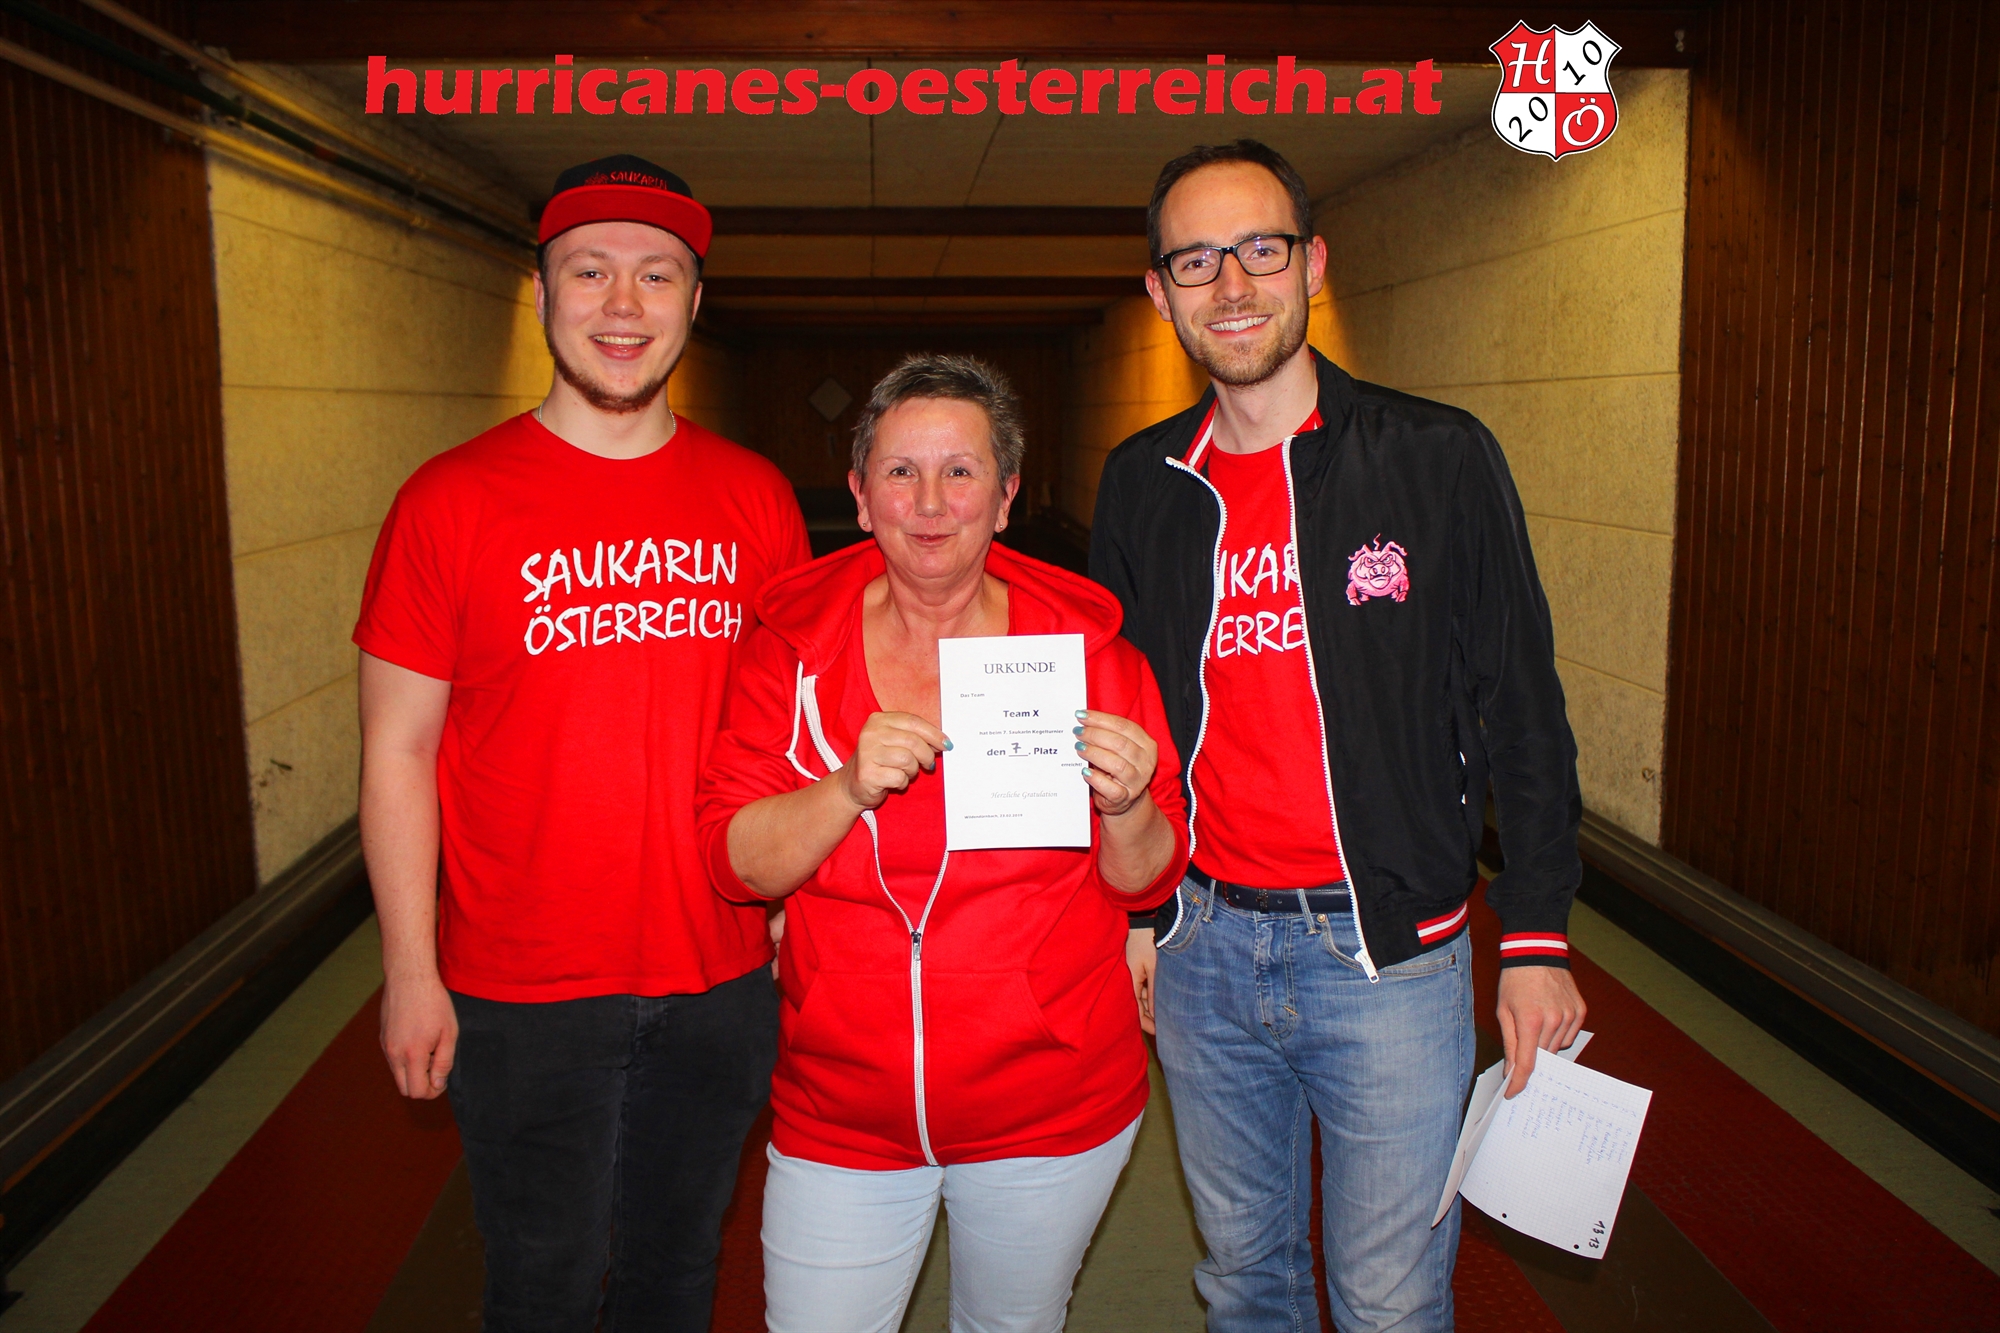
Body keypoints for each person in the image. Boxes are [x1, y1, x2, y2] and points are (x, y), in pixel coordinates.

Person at [1090, 140, 1588, 1333]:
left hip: (1388, 958)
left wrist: (1534, 934)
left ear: (1311, 263)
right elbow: (1123, 718)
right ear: (1158, 292)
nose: (1231, 286)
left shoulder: (1434, 457)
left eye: (1259, 250)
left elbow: (1520, 706)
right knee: (1243, 1279)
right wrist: (1141, 913)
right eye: (1195, 261)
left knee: (1387, 1297)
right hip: (1204, 949)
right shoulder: (1141, 482)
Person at [353, 155, 809, 1333]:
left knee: (675, 1273)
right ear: (542, 291)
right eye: (589, 270)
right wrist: (410, 970)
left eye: (655, 274)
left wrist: (787, 908)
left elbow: (788, 727)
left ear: (693, 301)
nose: (622, 303)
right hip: (519, 983)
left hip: (716, 973)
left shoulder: (754, 497)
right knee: (541, 1284)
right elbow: (397, 750)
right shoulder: (448, 502)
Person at [695, 354, 1189, 1333]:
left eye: (960, 472)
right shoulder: (787, 653)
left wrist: (1129, 803)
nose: (929, 502)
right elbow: (735, 861)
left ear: (1005, 498)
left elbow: (1143, 879)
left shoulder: (1089, 658)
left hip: (1048, 1102)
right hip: (841, 1107)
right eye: (900, 471)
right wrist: (842, 788)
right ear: (858, 494)